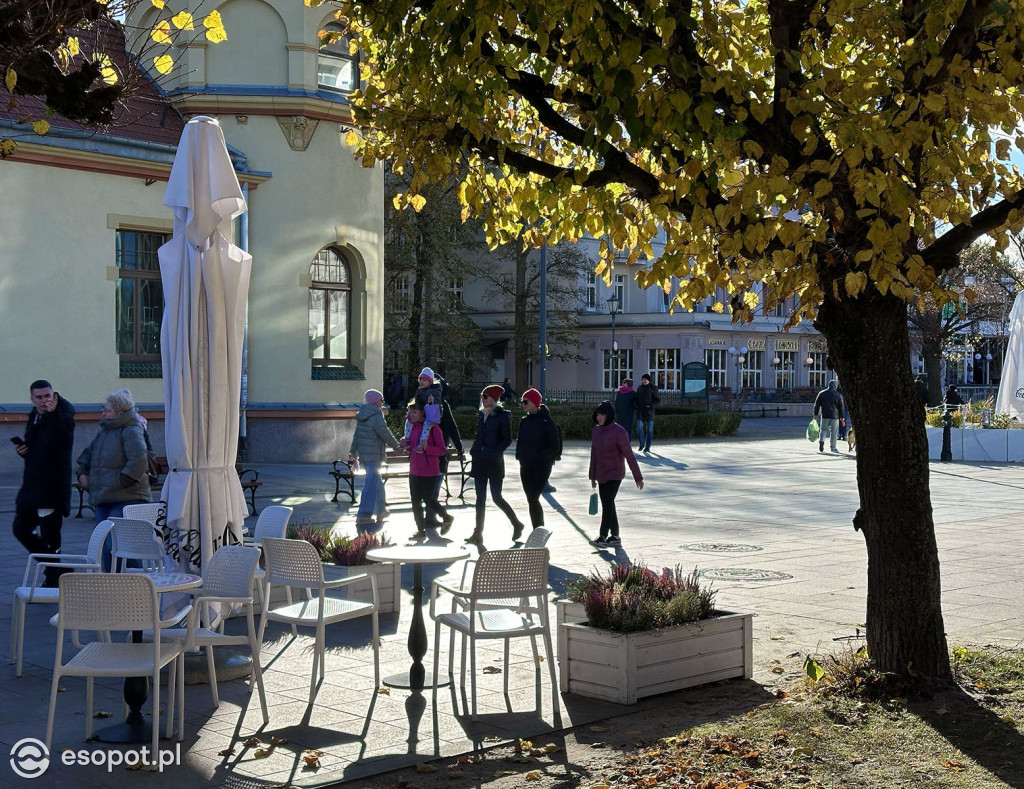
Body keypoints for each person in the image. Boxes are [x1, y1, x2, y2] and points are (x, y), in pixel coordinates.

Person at [76, 388, 152, 569]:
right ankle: (113, 587)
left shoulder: (131, 430)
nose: (103, 412)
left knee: (119, 545)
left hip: (126, 497)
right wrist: (82, 473)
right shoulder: (105, 431)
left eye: (107, 409)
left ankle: (136, 584)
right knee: (105, 547)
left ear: (120, 412)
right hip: (104, 497)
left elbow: (138, 462)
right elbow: (87, 455)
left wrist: (119, 482)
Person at [11, 380, 76, 587]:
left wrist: (53, 415)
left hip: (51, 489)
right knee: (20, 529)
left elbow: (62, 443)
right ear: (32, 398)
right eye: (39, 398)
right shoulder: (35, 416)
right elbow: (39, 450)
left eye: (47, 396)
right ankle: (58, 570)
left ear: (54, 396)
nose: (44, 401)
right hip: (32, 487)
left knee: (50, 536)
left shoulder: (62, 416)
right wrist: (25, 451)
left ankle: (53, 578)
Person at [466, 385, 526, 545]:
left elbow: (507, 439)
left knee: (497, 497)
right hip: (479, 462)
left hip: (493, 463)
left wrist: (494, 453)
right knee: (480, 499)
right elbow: (479, 436)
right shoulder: (481, 414)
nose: (482, 399)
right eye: (482, 396)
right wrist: (474, 450)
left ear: (492, 399)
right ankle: (477, 533)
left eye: (485, 396)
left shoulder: (502, 416)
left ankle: (517, 524)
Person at [588, 401, 643, 547]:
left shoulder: (619, 432)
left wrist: (638, 477)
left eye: (602, 414)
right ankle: (616, 536)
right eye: (598, 414)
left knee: (607, 502)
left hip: (615, 473)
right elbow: (594, 454)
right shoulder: (596, 431)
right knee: (608, 503)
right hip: (601, 474)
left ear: (609, 415)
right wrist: (592, 476)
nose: (599, 417)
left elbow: (629, 455)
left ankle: (602, 536)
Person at [347, 389, 401, 527]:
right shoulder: (376, 416)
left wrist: (353, 452)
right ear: (376, 401)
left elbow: (357, 436)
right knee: (370, 486)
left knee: (377, 484)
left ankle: (381, 511)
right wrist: (397, 446)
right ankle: (364, 515)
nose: (382, 403)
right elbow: (385, 434)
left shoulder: (362, 415)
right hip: (374, 456)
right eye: (381, 400)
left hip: (365, 456)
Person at [403, 401, 455, 539]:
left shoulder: (433, 429)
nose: (411, 415)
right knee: (415, 501)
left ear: (422, 413)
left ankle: (446, 517)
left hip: (429, 470)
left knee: (428, 499)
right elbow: (411, 446)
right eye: (409, 412)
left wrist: (428, 448)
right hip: (414, 469)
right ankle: (420, 531)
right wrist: (404, 444)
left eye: (414, 412)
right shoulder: (411, 428)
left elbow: (442, 450)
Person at [514, 388, 561, 531]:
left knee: (533, 497)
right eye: (522, 401)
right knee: (530, 498)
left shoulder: (547, 421)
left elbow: (555, 445)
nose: (523, 404)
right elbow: (520, 440)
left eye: (526, 401)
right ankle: (537, 529)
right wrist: (520, 455)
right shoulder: (524, 421)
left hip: (542, 466)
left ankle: (539, 530)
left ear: (535, 402)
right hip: (526, 465)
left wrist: (539, 457)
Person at [424, 373, 464, 526]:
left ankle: (430, 516)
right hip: (435, 452)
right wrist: (459, 448)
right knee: (432, 486)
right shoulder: (439, 405)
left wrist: (459, 448)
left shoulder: (436, 405)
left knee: (431, 486)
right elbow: (452, 428)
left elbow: (452, 428)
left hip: (433, 452)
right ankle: (432, 516)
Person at [406, 367, 443, 453]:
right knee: (409, 420)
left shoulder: (435, 390)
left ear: (430, 382)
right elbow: (416, 401)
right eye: (421, 380)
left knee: (426, 425)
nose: (422, 382)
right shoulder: (419, 390)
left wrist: (431, 401)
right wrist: (412, 411)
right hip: (422, 411)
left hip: (431, 413)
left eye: (424, 380)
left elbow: (436, 402)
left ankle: (422, 443)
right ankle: (407, 437)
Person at [813, 379, 846, 454]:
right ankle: (833, 447)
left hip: (824, 415)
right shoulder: (838, 395)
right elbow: (841, 407)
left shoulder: (822, 393)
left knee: (823, 429)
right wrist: (842, 417)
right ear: (836, 386)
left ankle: (821, 440)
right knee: (834, 432)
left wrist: (815, 414)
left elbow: (817, 404)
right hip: (835, 416)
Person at [634, 373, 660, 453]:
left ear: (649, 380)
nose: (644, 381)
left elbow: (657, 400)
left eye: (646, 379)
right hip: (640, 412)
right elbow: (636, 398)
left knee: (649, 430)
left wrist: (650, 405)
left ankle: (647, 447)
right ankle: (642, 443)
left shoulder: (653, 388)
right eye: (643, 379)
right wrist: (635, 404)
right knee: (639, 427)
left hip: (649, 412)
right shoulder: (640, 387)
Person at [614, 378, 637, 442]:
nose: (623, 384)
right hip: (620, 415)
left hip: (628, 415)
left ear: (629, 384)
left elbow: (635, 405)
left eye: (625, 383)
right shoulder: (620, 392)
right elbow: (617, 403)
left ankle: (627, 444)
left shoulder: (633, 394)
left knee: (628, 430)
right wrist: (616, 412)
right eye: (623, 383)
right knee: (619, 430)